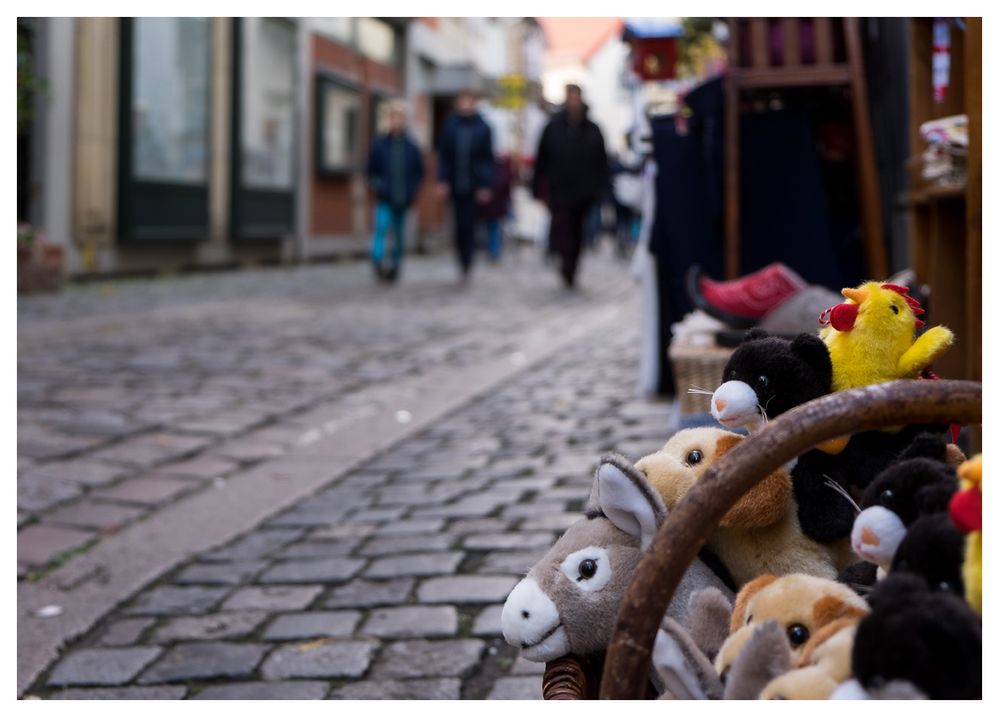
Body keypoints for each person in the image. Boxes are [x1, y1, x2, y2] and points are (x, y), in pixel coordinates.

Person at [532, 84, 608, 288]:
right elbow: (542, 159)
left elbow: (602, 161)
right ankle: (566, 265)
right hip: (560, 191)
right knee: (563, 229)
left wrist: (601, 188)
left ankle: (572, 264)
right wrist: (537, 188)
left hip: (584, 192)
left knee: (578, 232)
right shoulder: (553, 128)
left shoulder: (592, 130)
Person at [436, 90, 496, 281]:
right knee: (458, 225)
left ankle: (468, 259)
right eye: (463, 101)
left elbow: (488, 158)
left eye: (469, 101)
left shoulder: (483, 128)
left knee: (469, 224)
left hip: (473, 184)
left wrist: (485, 184)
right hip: (455, 183)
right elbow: (444, 156)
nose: (466, 105)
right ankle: (461, 258)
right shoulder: (450, 126)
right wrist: (442, 180)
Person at [365, 100, 424, 282]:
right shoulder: (379, 144)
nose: (396, 121)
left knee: (398, 234)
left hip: (403, 198)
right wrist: (376, 184)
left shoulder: (412, 147)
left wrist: (412, 190)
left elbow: (419, 172)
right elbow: (370, 169)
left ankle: (396, 265)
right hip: (385, 196)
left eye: (400, 118)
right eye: (394, 118)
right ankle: (377, 261)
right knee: (381, 228)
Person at [480, 153, 514, 261]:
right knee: (494, 228)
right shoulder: (501, 172)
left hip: (494, 206)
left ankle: (493, 250)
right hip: (495, 206)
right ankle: (493, 250)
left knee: (493, 228)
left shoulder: (491, 171)